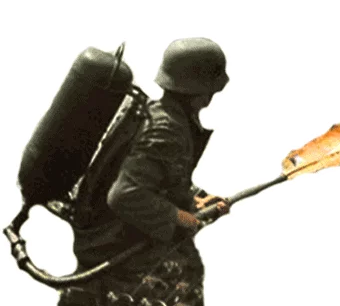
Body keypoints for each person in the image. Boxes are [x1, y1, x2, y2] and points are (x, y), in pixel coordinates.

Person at [58, 37, 230, 306]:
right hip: (118, 248)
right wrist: (183, 217)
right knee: (185, 277)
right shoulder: (167, 129)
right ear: (203, 91)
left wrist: (196, 199)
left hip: (104, 237)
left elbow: (161, 176)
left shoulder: (157, 112)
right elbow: (125, 194)